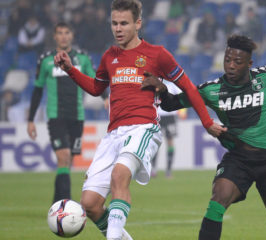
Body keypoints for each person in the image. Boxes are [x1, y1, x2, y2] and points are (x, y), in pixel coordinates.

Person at [53, 1, 226, 239]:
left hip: (143, 128)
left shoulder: (157, 55)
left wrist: (207, 122)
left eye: (124, 23)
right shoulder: (109, 56)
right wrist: (71, 69)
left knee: (119, 176)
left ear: (138, 23)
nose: (118, 28)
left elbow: (189, 88)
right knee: (90, 204)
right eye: (114, 23)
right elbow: (96, 88)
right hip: (113, 134)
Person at [142, 34, 266, 240]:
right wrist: (163, 90)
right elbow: (171, 104)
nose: (230, 66)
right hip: (239, 159)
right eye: (227, 60)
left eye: (237, 62)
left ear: (249, 64)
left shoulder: (264, 76)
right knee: (217, 201)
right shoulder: (211, 90)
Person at [27, 22, 96, 203]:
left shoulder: (83, 58)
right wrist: (30, 120)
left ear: (72, 35)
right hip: (56, 116)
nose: (64, 36)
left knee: (67, 162)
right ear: (55, 37)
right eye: (60, 33)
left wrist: (105, 98)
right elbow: (37, 90)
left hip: (77, 116)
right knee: (63, 156)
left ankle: (57, 203)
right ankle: (65, 203)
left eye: (67, 32)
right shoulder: (46, 60)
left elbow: (95, 81)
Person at [151, 81, 186, 178]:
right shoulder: (156, 82)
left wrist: (182, 111)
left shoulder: (172, 84)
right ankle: (153, 169)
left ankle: (168, 170)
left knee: (170, 142)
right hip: (157, 116)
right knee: (155, 142)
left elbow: (181, 96)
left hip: (170, 116)